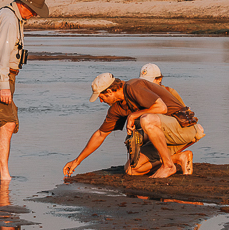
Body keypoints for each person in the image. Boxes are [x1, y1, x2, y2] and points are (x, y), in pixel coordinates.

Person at [63, 71, 204, 179]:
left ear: (110, 91)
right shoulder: (116, 108)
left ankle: (168, 166)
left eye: (102, 97)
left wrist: (133, 115)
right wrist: (77, 161)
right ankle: (179, 158)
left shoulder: (133, 86)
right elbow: (100, 134)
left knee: (146, 119)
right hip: (165, 138)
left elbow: (161, 108)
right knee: (132, 170)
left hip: (184, 129)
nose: (101, 101)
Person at [0, 0, 49, 181]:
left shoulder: (11, 16)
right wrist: (3, 86)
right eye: (33, 10)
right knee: (8, 123)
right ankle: (4, 176)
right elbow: (2, 54)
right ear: (24, 4)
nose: (34, 15)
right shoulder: (10, 19)